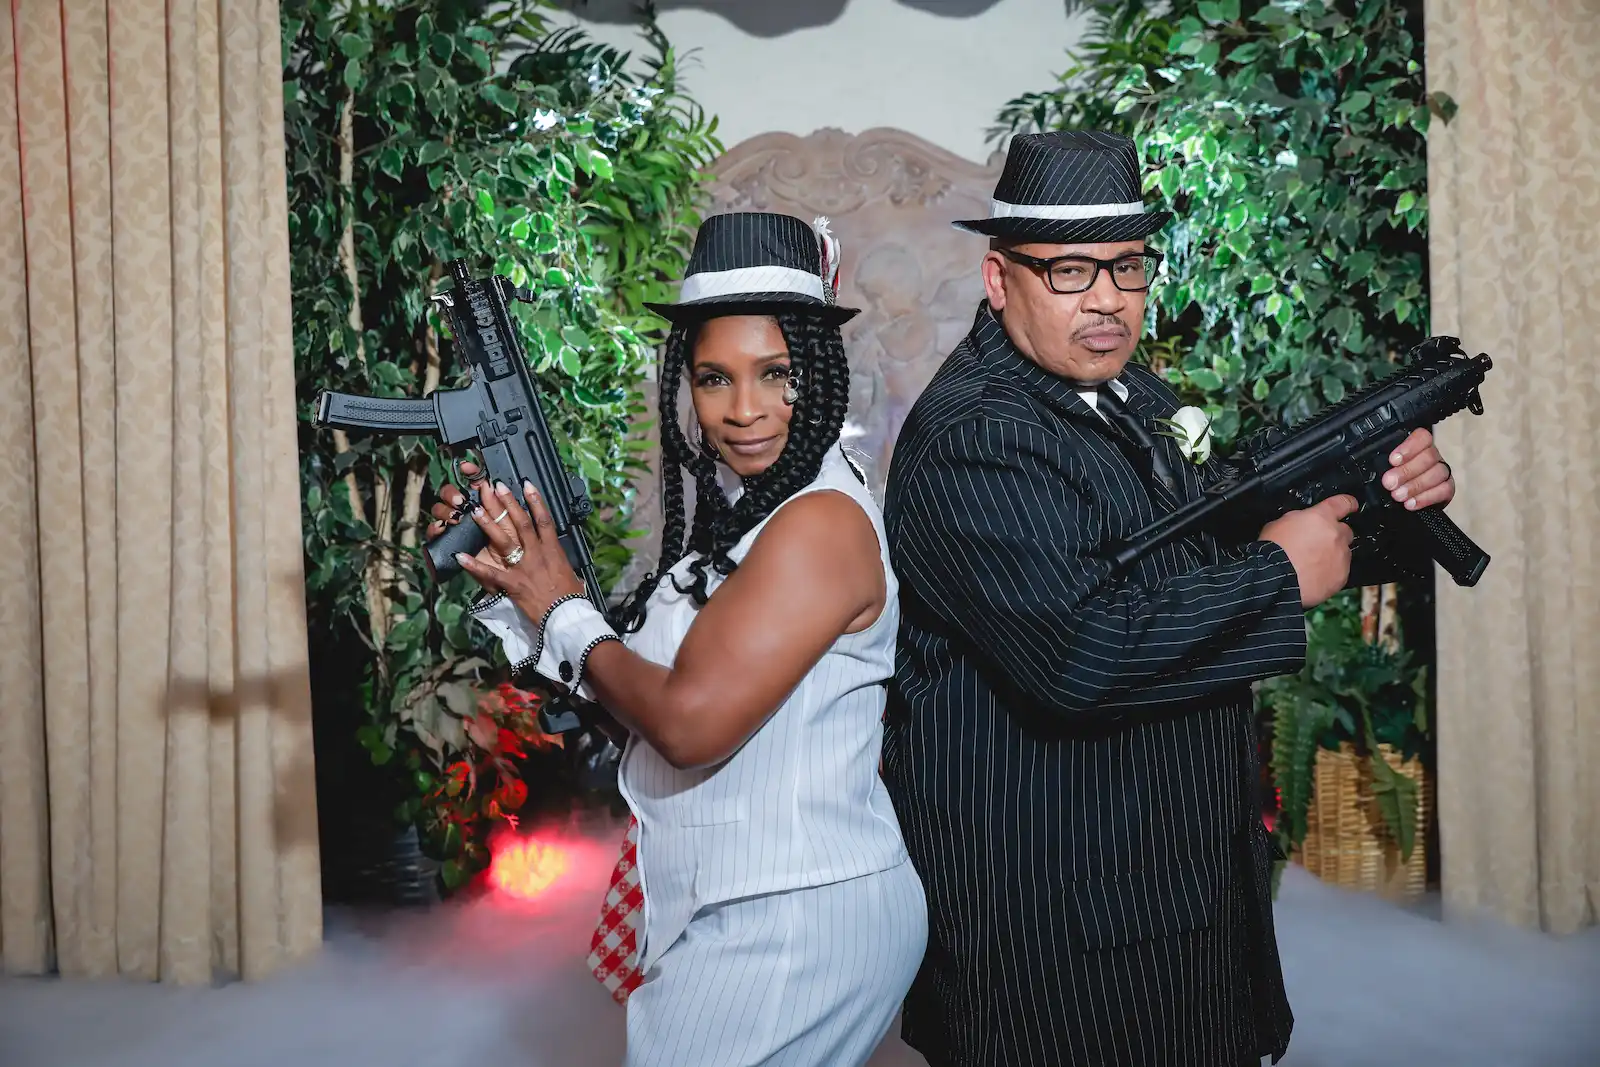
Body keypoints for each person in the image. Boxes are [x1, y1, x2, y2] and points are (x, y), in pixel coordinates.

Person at [878, 130, 1458, 1067]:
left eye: (1127, 267)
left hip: (1167, 890)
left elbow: (1215, 527)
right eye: (1070, 271)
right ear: (999, 280)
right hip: (1061, 942)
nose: (1107, 300)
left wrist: (1388, 503)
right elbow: (1078, 655)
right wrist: (1279, 575)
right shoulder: (977, 437)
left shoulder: (1121, 388)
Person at [427, 211, 927, 1067]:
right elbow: (647, 716)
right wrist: (523, 590)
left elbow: (692, 724)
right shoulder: (751, 515)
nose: (745, 411)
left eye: (776, 374)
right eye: (713, 378)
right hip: (746, 902)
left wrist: (566, 612)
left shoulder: (817, 524)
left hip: (789, 921)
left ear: (820, 371)